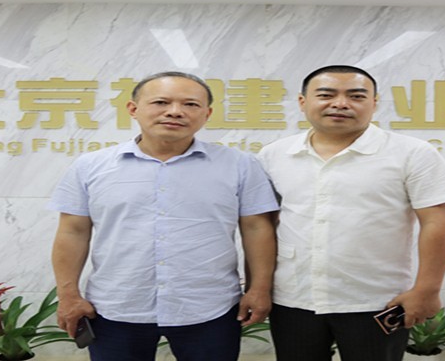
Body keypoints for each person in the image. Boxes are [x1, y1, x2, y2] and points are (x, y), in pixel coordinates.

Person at [49, 71, 279, 361]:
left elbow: (257, 228)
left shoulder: (239, 165)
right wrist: (68, 295)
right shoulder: (90, 166)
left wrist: (259, 289)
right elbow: (73, 231)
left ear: (207, 114)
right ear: (133, 109)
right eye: (161, 102)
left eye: (190, 104)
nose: (175, 111)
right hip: (116, 305)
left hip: (210, 307)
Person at [257, 65, 445, 361]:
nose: (340, 103)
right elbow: (263, 225)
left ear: (374, 103)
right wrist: (258, 286)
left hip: (375, 300)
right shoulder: (274, 155)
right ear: (303, 102)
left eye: (356, 96)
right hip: (294, 297)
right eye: (326, 95)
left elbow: (437, 221)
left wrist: (427, 289)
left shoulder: (412, 153)